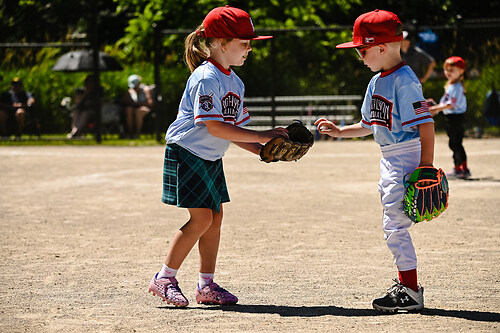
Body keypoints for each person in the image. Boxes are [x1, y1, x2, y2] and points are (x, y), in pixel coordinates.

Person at [148, 5, 288, 307]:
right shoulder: (205, 78)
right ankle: (164, 278)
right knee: (201, 219)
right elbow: (213, 126)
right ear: (220, 44)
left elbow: (236, 130)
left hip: (209, 156)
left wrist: (264, 150)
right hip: (187, 152)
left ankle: (206, 286)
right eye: (244, 43)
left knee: (215, 219)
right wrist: (264, 136)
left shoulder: (235, 82)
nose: (249, 48)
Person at [315, 9, 435, 312]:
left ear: (382, 47)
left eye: (362, 50)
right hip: (388, 157)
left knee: (393, 225)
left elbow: (426, 125)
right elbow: (369, 124)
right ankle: (407, 286)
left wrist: (426, 168)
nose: (360, 56)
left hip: (407, 154)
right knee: (393, 220)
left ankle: (409, 289)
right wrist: (341, 131)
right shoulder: (375, 82)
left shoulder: (405, 80)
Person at [429, 56, 470, 178]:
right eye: (446, 70)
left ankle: (462, 168)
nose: (448, 73)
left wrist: (435, 109)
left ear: (461, 71)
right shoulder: (451, 85)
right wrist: (436, 105)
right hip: (451, 118)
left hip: (456, 118)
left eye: (452, 70)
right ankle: (459, 167)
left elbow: (451, 105)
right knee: (454, 143)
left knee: (456, 143)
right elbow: (446, 103)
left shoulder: (457, 86)